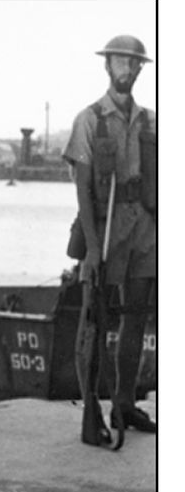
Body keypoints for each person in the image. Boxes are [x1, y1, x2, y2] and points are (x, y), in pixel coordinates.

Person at [64, 34, 156, 442]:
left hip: (145, 230)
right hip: (103, 230)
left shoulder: (151, 121)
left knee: (136, 316)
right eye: (121, 62)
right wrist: (91, 246)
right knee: (94, 321)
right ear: (107, 66)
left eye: (134, 63)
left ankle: (125, 403)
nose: (128, 69)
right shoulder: (89, 119)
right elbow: (82, 190)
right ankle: (91, 415)